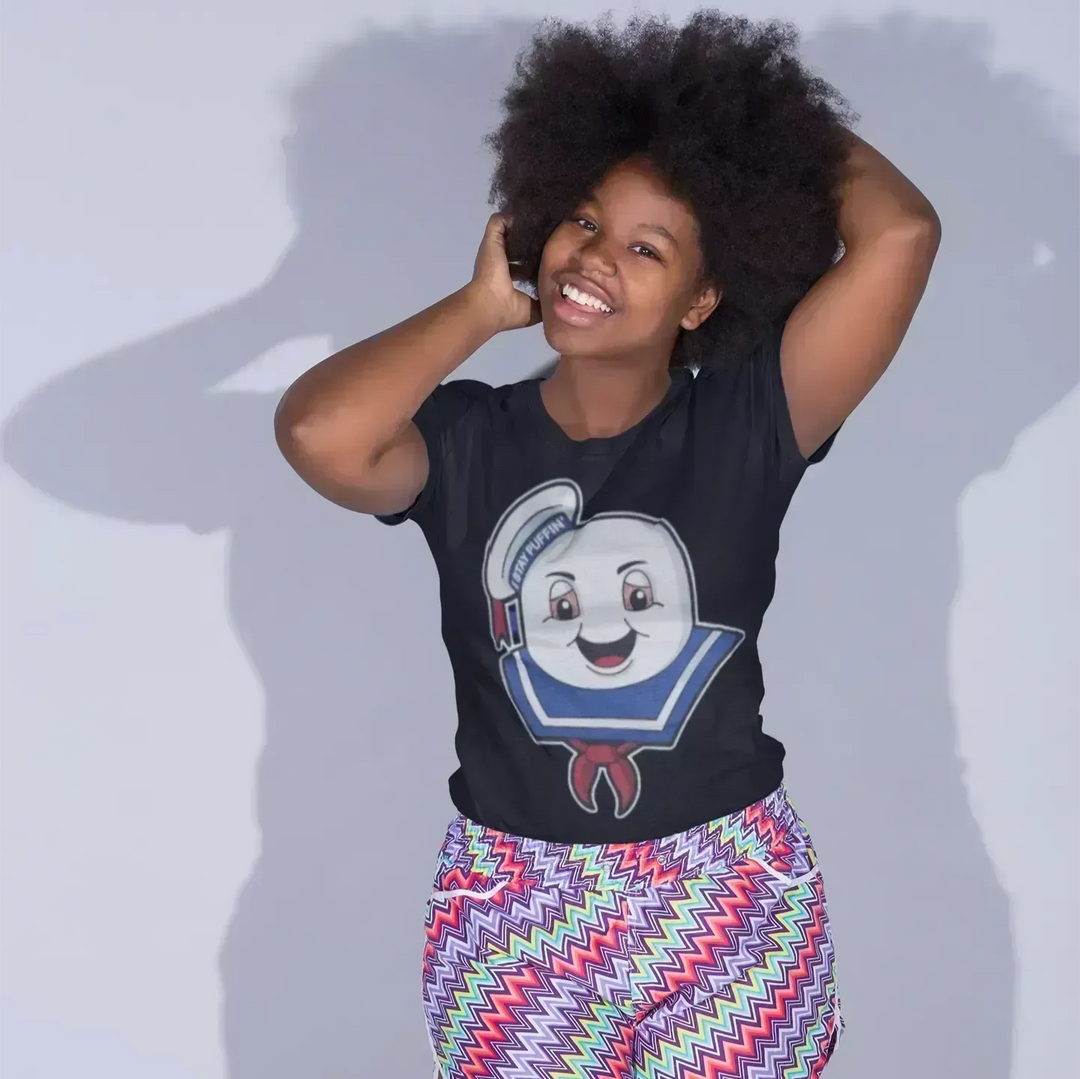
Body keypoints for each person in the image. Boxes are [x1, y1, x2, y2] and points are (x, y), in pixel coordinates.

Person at [274, 11, 939, 1078]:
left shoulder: (751, 420)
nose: (594, 257)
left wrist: (749, 121)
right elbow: (318, 434)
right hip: (512, 910)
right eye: (583, 221)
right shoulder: (464, 443)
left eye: (646, 246)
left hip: (725, 897)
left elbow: (900, 234)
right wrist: (478, 307)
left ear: (703, 297)